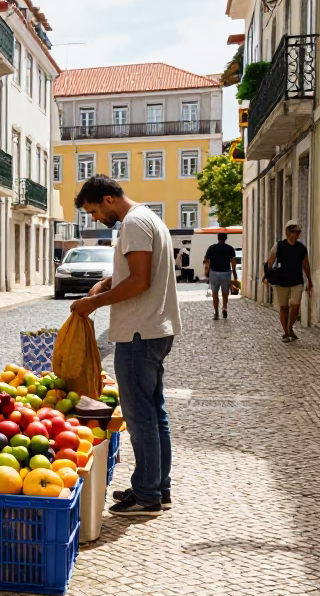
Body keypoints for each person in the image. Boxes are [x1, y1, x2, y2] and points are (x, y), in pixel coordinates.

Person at [69, 175, 181, 516]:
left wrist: (94, 304)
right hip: (155, 329)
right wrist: (104, 283)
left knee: (140, 415)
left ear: (107, 199)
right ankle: (157, 488)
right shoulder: (149, 218)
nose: (94, 218)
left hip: (138, 332)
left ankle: (147, 496)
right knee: (154, 411)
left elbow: (139, 280)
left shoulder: (132, 224)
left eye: (93, 211)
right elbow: (134, 271)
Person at [264, 221, 312, 342]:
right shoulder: (279, 246)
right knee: (284, 307)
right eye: (296, 231)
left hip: (297, 280)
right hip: (281, 280)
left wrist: (310, 280)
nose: (298, 234)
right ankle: (286, 333)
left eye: (299, 232)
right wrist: (266, 276)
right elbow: (270, 262)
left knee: (296, 306)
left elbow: (306, 265)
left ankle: (289, 327)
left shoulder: (302, 248)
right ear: (289, 232)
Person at [203, 233, 237, 320]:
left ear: (218, 238)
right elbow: (233, 262)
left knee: (215, 293)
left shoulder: (211, 248)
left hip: (214, 273)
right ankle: (224, 308)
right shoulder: (230, 248)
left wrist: (206, 272)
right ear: (226, 238)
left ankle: (216, 313)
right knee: (225, 293)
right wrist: (234, 273)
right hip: (226, 273)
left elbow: (207, 262)